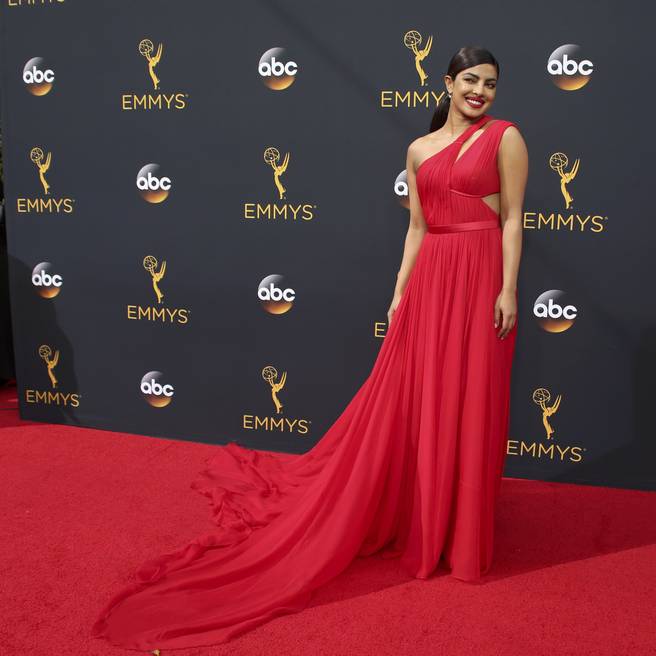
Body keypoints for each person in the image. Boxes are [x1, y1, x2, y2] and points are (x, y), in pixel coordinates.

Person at [92, 45, 528, 651]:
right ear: (448, 82)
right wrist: (401, 292)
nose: (481, 92)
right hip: (431, 279)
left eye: (491, 84)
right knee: (422, 401)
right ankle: (424, 525)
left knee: (472, 399)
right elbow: (417, 227)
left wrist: (508, 288)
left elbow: (512, 218)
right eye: (472, 81)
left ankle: (465, 536)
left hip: (481, 277)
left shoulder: (506, 137)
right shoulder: (419, 150)